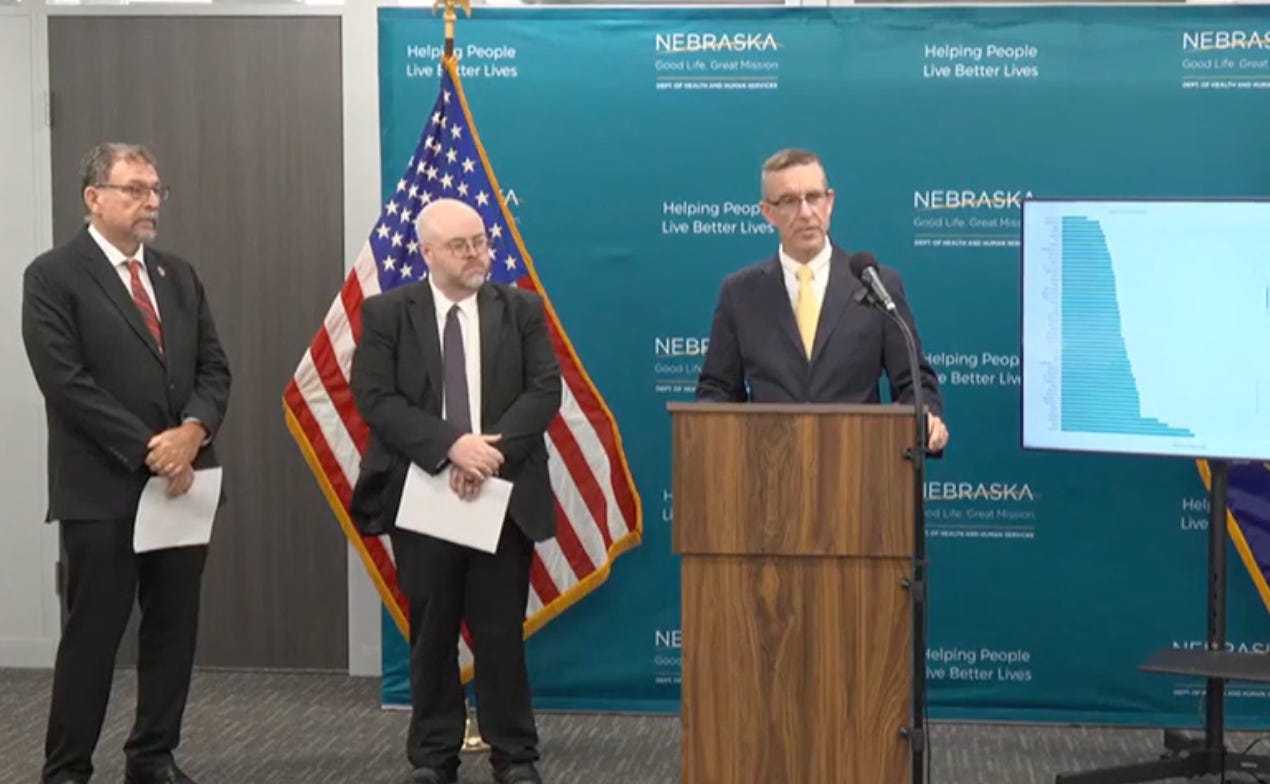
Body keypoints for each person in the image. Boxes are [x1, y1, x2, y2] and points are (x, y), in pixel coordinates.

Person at [21, 142, 232, 784]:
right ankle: (67, 769)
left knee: (172, 631)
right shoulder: (53, 276)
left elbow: (214, 369)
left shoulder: (178, 275)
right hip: (104, 489)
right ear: (94, 198)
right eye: (135, 190)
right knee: (94, 636)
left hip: (183, 487)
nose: (150, 203)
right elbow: (66, 382)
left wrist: (192, 432)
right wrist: (152, 449)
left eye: (156, 190)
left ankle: (152, 757)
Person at [348, 198, 562, 784]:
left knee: (500, 630)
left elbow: (544, 391)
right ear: (426, 252)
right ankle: (433, 755)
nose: (476, 255)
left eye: (481, 242)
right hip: (422, 490)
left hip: (502, 490)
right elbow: (375, 397)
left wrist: (486, 455)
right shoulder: (389, 313)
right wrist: (451, 447)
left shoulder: (521, 309)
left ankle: (514, 754)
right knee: (432, 628)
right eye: (460, 246)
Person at [695, 147, 949, 451]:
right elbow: (718, 389)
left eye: (813, 197)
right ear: (767, 212)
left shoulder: (877, 284)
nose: (805, 213)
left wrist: (927, 418)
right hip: (768, 465)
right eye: (789, 201)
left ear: (830, 201)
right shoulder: (740, 292)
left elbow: (913, 382)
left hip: (859, 463)